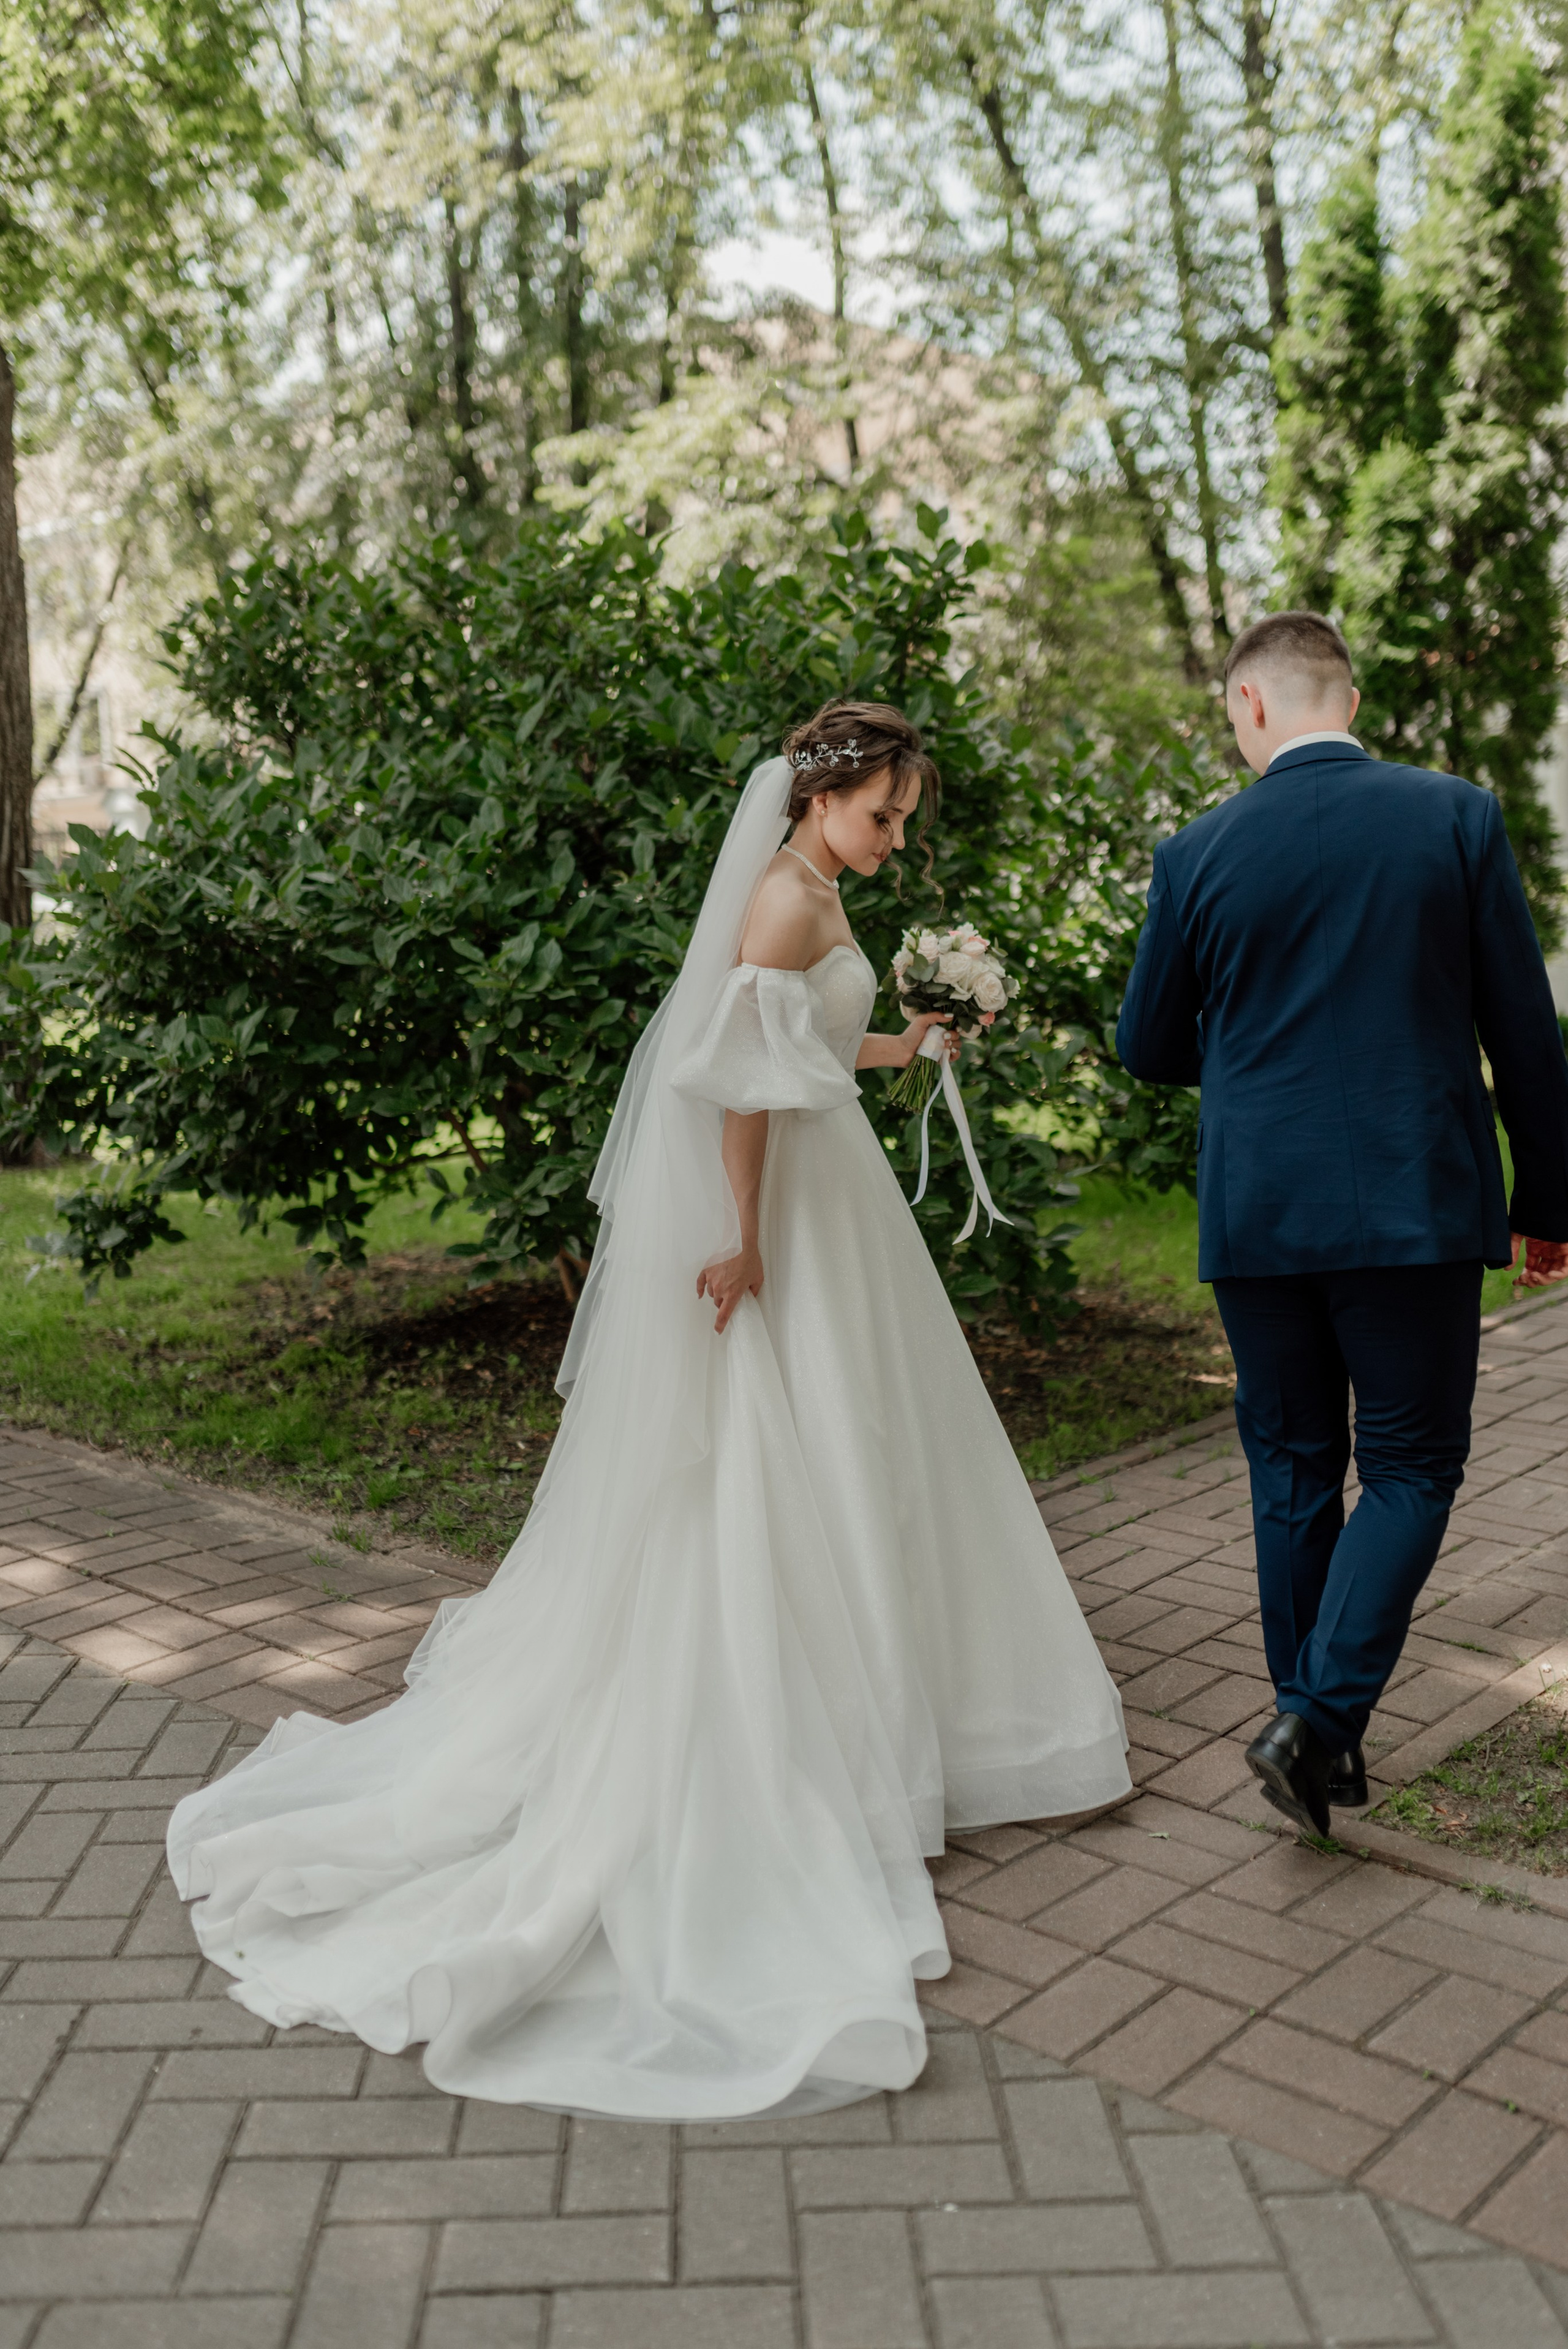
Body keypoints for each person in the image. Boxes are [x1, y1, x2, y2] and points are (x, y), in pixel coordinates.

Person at [166, 699, 1130, 2120]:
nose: (894, 835)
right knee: (784, 1458)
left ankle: (892, 1715)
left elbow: (803, 1057)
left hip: (832, 1197)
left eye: (903, 817)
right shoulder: (781, 906)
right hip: (785, 1211)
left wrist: (908, 1049)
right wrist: (743, 1236)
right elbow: (738, 1089)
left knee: (862, 1452)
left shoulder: (812, 891)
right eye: (882, 814)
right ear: (818, 801)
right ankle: (803, 1740)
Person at [1116, 611, 1568, 1841]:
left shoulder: (1194, 852)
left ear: (1249, 707)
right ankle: (1314, 1724)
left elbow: (1145, 1047)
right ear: (1344, 697)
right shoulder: (1453, 818)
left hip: (1257, 1213)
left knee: (1293, 1468)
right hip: (1413, 1204)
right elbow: (1525, 1036)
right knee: (1413, 1468)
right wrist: (1550, 1204)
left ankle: (1316, 1733)